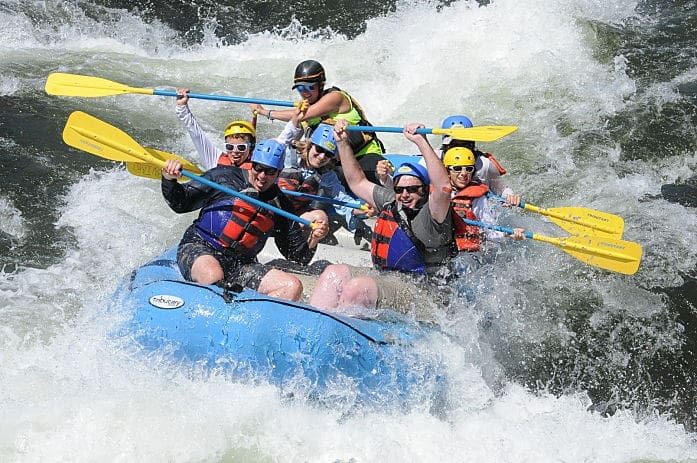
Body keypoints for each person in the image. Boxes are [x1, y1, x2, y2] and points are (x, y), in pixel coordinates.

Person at [309, 120, 454, 313]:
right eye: (400, 189)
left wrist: (421, 142)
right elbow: (357, 182)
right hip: (386, 277)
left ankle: (344, 334)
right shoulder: (392, 202)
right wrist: (342, 142)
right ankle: (318, 324)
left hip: (422, 290)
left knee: (357, 289)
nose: (405, 194)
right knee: (334, 273)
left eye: (412, 189)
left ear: (425, 190)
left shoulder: (434, 213)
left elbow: (444, 187)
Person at [161, 138, 330, 301]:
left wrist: (314, 238)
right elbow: (180, 203)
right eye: (258, 168)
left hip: (240, 264)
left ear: (278, 173)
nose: (262, 176)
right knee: (213, 276)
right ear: (251, 165)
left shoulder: (280, 204)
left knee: (292, 286)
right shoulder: (223, 177)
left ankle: (250, 321)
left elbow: (296, 255)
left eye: (270, 172)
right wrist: (170, 179)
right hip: (200, 247)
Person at [249, 60, 387, 186]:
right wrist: (264, 112)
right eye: (300, 88)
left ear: (320, 85)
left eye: (310, 88)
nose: (305, 93)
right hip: (331, 162)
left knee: (379, 176)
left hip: (364, 154)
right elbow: (295, 121)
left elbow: (300, 115)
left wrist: (266, 112)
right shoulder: (306, 110)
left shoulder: (336, 98)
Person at [279, 122, 376, 233]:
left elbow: (342, 198)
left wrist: (359, 209)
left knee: (320, 217)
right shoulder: (285, 155)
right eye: (319, 149)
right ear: (310, 145)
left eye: (328, 154)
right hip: (271, 208)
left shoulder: (327, 175)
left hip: (294, 215)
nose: (322, 157)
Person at [443, 146, 525, 255]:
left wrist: (510, 234)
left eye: (468, 169)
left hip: (464, 254)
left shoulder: (478, 199)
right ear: (447, 171)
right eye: (457, 168)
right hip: (441, 248)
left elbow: (490, 230)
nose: (463, 173)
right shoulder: (435, 192)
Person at [175, 88, 255, 170]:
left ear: (250, 147)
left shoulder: (259, 169)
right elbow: (196, 135)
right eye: (230, 147)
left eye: (241, 147)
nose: (235, 151)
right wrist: (182, 106)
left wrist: (266, 112)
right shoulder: (214, 159)